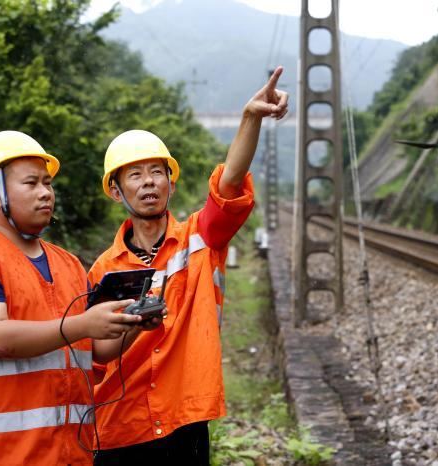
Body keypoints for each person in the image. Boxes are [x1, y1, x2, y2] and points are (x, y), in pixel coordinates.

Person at [87, 66, 289, 464]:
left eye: (157, 172)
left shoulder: (203, 239)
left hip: (183, 422)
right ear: (116, 190)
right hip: (119, 426)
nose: (149, 182)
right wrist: (130, 325)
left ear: (171, 183)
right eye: (135, 175)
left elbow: (229, 185)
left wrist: (250, 118)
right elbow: (98, 353)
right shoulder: (103, 270)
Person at [0, 130, 146, 465]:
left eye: (48, 183)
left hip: (71, 455)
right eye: (31, 184)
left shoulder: (69, 264)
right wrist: (83, 324)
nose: (46, 193)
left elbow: (97, 350)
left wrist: (134, 322)